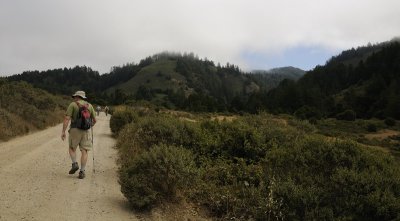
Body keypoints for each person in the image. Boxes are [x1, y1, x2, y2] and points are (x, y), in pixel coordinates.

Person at [61, 91, 96, 179]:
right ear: (83, 97)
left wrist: (63, 131)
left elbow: (67, 118)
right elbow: (94, 120)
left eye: (74, 97)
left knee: (72, 148)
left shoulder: (73, 105)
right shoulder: (90, 106)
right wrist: (89, 126)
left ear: (77, 96)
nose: (74, 98)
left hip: (75, 129)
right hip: (86, 131)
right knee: (84, 151)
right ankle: (82, 171)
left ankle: (74, 164)